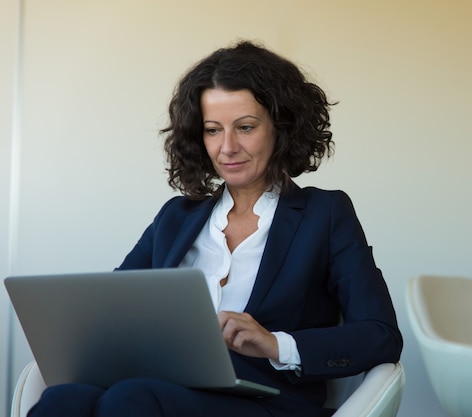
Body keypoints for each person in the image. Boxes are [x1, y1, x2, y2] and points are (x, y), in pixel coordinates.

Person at [28, 40, 403, 417]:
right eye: (212, 130)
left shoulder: (325, 214)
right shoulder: (176, 218)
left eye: (245, 127)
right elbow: (110, 313)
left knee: (132, 398)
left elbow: (380, 334)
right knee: (64, 398)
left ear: (281, 127)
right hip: (159, 384)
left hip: (264, 400)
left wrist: (275, 344)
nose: (227, 147)